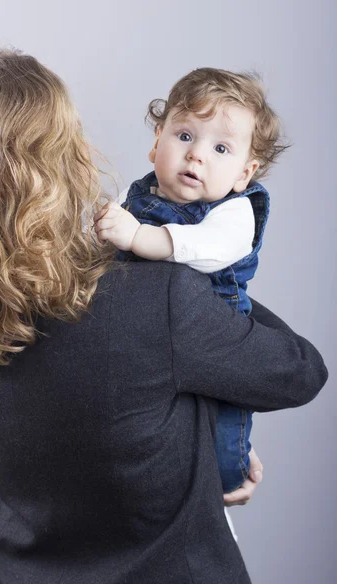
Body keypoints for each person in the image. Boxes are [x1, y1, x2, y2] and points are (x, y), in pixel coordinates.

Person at [0, 50, 327, 584]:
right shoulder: (158, 295)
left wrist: (200, 440)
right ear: (52, 160)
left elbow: (86, 423)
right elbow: (300, 370)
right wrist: (202, 282)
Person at [94, 68, 288, 494]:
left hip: (217, 338)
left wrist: (140, 237)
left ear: (243, 173)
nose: (197, 155)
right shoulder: (137, 192)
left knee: (222, 436)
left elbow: (209, 247)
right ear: (156, 141)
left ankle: (228, 483)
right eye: (184, 136)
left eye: (220, 148)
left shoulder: (236, 213)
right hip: (148, 340)